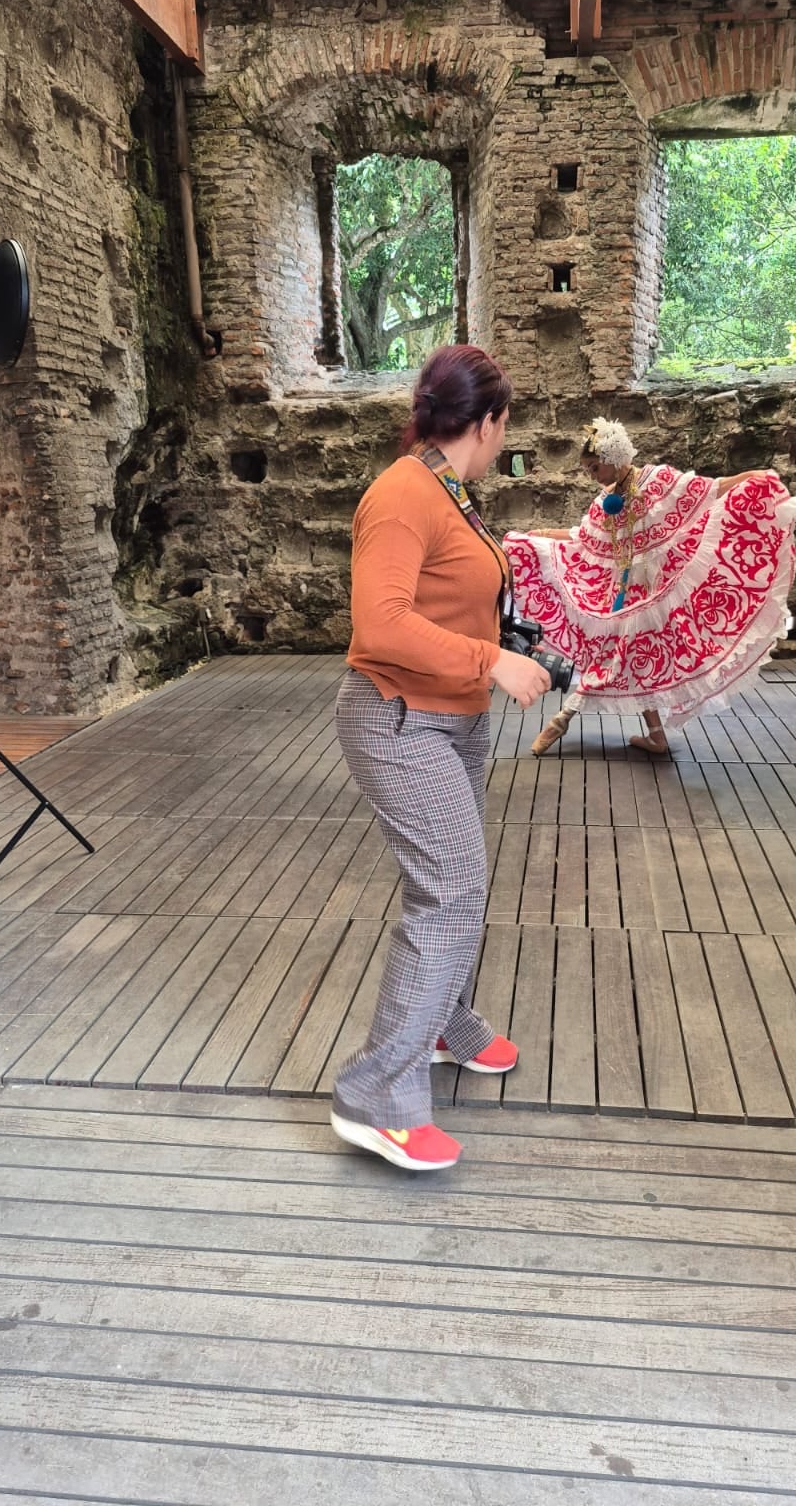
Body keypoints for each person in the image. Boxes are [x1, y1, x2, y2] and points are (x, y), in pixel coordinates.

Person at [331, 345, 551, 1172]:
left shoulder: (449, 490)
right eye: (506, 428)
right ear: (487, 422)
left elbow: (458, 585)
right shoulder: (401, 494)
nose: (504, 442)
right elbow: (380, 625)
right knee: (451, 890)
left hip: (450, 721)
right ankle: (373, 1096)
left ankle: (444, 1027)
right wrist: (490, 662)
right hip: (398, 720)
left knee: (459, 881)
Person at [505, 417, 796, 757]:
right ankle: (653, 736)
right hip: (621, 595)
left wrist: (751, 478)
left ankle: (562, 720)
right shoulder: (606, 501)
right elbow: (584, 539)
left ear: (612, 457)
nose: (592, 475)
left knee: (616, 658)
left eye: (594, 467)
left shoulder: (657, 480)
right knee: (626, 659)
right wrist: (541, 537)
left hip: (654, 593)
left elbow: (708, 489)